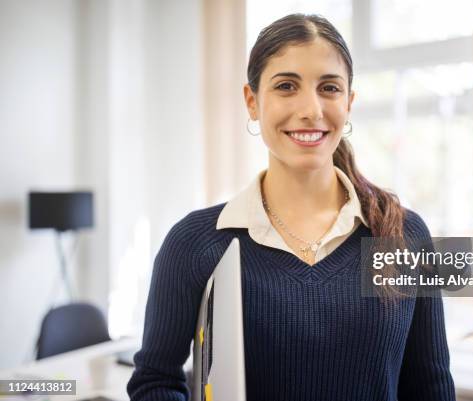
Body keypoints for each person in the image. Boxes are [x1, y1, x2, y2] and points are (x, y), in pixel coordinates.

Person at [127, 13, 455, 401]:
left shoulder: (405, 235)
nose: (311, 110)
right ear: (252, 102)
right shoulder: (195, 243)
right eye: (286, 86)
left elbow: (429, 386)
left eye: (329, 88)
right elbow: (155, 383)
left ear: (349, 103)